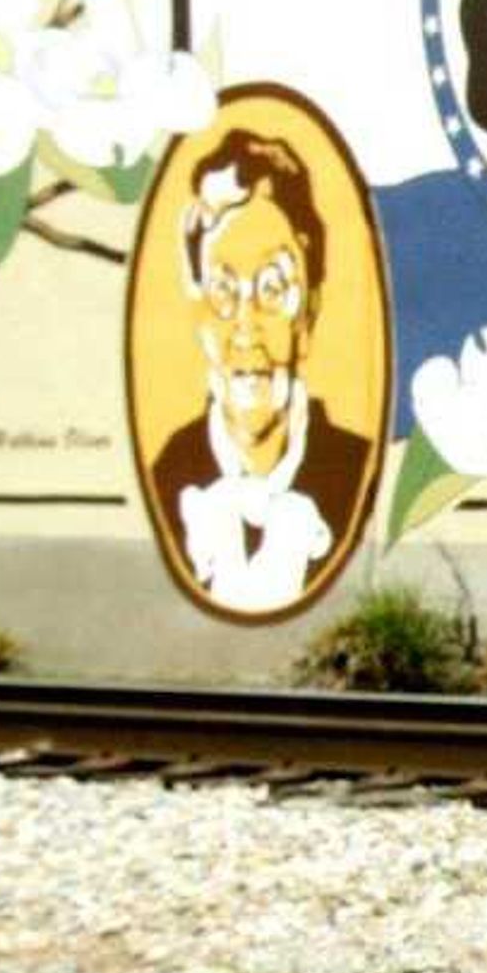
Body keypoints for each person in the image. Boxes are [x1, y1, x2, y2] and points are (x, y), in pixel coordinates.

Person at [143, 129, 370, 615]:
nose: (246, 329)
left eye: (272, 288)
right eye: (224, 291)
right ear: (200, 313)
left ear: (309, 309)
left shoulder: (355, 468)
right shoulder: (166, 471)